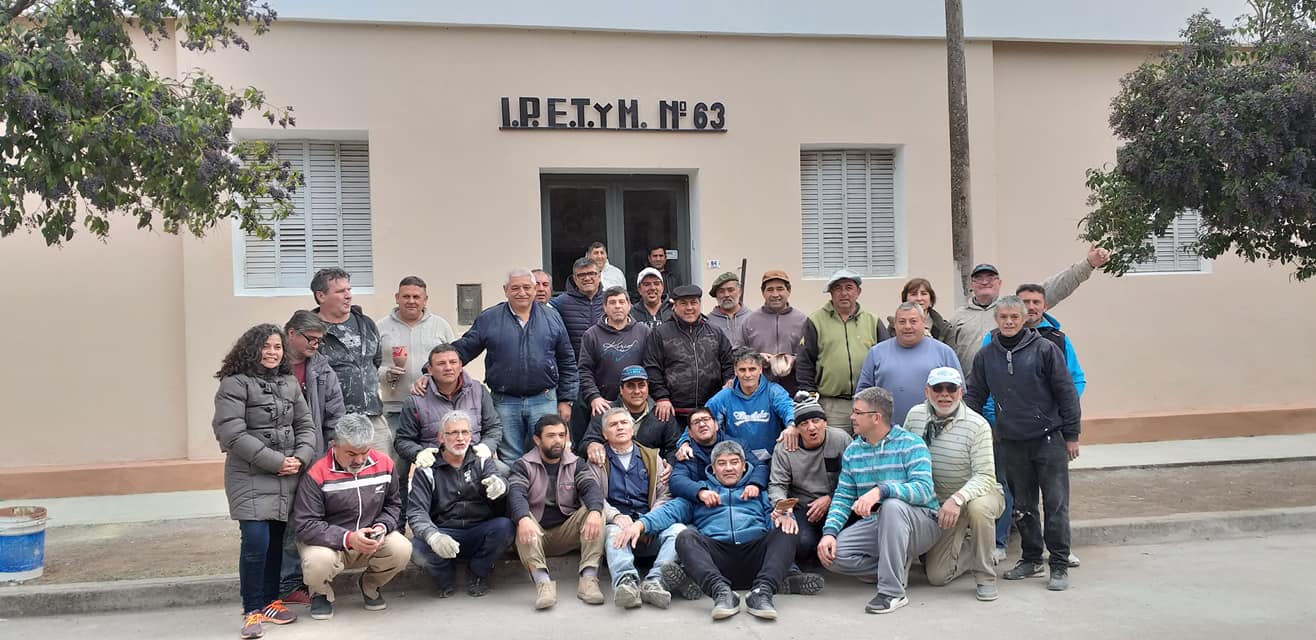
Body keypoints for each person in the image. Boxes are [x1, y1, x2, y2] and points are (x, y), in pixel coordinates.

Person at [964, 296, 1081, 592]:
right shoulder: (986, 355)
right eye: (1003, 317)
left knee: (1055, 505)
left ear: (1024, 318)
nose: (1008, 322)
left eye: (1014, 317)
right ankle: (1031, 559)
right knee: (1023, 506)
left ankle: (1058, 564)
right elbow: (975, 395)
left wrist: (1072, 435)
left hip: (1049, 439)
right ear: (996, 319)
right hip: (1011, 441)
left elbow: (1066, 393)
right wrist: (961, 426)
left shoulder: (1046, 350)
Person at [212, 324, 317, 639]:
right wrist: (276, 462)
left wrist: (300, 457)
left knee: (275, 541)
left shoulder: (288, 382)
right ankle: (251, 610)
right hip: (251, 476)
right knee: (256, 541)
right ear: (251, 348)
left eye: (278, 347)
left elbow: (305, 424)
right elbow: (231, 433)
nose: (272, 353)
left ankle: (271, 601)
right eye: (266, 346)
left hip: (287, 475)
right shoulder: (234, 384)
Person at [624, 440, 807, 621]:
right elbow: (670, 511)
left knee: (787, 528)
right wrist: (640, 525)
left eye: (734, 462)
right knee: (685, 536)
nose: (728, 468)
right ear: (713, 468)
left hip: (756, 559)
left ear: (744, 466)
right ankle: (722, 593)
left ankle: (762, 592)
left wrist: (782, 517)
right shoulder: (701, 493)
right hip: (716, 563)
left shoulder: (759, 493)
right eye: (722, 463)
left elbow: (773, 520)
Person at [816, 386, 939, 615]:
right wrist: (829, 533)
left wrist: (881, 491)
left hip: (922, 523)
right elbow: (843, 497)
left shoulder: (911, 444)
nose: (851, 417)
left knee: (891, 506)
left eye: (857, 412)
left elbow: (924, 490)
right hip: (879, 523)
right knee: (832, 557)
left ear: (876, 418)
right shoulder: (854, 451)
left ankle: (892, 592)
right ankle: (893, 564)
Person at [291, 414, 410, 621]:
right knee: (317, 561)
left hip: (370, 538)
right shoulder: (317, 473)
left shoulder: (385, 464)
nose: (359, 460)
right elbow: (306, 525)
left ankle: (370, 585)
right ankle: (319, 593)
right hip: (328, 544)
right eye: (351, 453)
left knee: (402, 548)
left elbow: (393, 505)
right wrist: (348, 538)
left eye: (365, 452)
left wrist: (382, 527)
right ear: (334, 446)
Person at [452, 268, 577, 461]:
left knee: (548, 454)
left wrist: (566, 399)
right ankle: (515, 492)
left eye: (527, 287)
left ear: (535, 289)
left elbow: (567, 360)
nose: (522, 292)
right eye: (515, 288)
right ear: (505, 290)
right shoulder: (489, 318)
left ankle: (545, 492)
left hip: (544, 399)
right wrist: (432, 368)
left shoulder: (552, 318)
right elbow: (464, 349)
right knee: (510, 458)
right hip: (505, 401)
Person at [902, 368, 1005, 601]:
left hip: (976, 496)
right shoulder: (915, 416)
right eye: (938, 388)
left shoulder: (977, 425)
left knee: (979, 509)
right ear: (927, 391)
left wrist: (957, 499)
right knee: (938, 576)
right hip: (938, 503)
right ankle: (972, 546)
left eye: (951, 389)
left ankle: (985, 576)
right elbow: (903, 455)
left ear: (961, 392)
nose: (944, 395)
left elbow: (986, 476)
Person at [945, 246, 1111, 377]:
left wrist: (1088, 264)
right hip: (968, 393)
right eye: (979, 278)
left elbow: (1054, 287)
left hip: (1004, 392)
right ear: (971, 284)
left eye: (990, 277)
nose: (985, 282)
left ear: (999, 283)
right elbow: (946, 354)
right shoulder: (958, 317)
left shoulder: (1014, 308)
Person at [277, 310, 345, 606]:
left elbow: (335, 414)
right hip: (275, 457)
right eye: (311, 339)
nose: (316, 346)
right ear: (291, 333)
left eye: (319, 341)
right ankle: (279, 584)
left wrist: (330, 455)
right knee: (278, 523)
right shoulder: (270, 365)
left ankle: (298, 583)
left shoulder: (321, 367)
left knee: (301, 521)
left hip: (313, 458)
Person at [408, 410, 515, 599]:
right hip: (445, 531)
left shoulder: (481, 460)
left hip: (478, 530)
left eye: (465, 432)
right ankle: (444, 578)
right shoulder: (427, 469)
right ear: (441, 437)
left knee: (504, 527)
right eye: (453, 433)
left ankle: (478, 573)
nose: (460, 438)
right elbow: (417, 513)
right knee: (417, 546)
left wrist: (501, 485)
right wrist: (434, 537)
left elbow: (497, 479)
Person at [508, 415, 607, 610]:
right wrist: (523, 518)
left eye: (562, 435)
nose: (558, 441)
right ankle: (543, 584)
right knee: (521, 519)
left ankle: (588, 580)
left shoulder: (576, 463)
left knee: (595, 510)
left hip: (565, 532)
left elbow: (591, 489)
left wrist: (595, 512)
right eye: (551, 435)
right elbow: (516, 494)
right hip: (535, 533)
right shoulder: (523, 464)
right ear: (537, 440)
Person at [377, 276, 456, 520]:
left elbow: (451, 362)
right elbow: (370, 366)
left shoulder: (440, 326)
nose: (411, 301)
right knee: (396, 471)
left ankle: (437, 520)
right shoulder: (380, 327)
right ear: (397, 298)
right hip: (394, 408)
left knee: (440, 468)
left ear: (425, 299)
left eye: (416, 297)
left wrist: (430, 378)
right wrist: (385, 373)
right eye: (406, 296)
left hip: (434, 408)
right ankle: (397, 522)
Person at [588, 408, 682, 609]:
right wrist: (616, 516)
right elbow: (592, 497)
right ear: (605, 434)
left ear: (632, 429)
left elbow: (665, 494)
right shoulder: (597, 461)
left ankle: (655, 582)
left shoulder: (651, 457)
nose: (620, 427)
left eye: (624, 422)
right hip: (620, 526)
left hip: (649, 527)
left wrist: (648, 522)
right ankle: (626, 583)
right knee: (612, 531)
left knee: (679, 531)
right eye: (613, 425)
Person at [796, 269, 891, 432]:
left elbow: (888, 359)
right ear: (831, 293)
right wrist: (811, 397)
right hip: (832, 404)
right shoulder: (815, 321)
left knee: (869, 447)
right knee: (835, 449)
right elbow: (805, 362)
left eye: (849, 287)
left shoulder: (872, 321)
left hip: (869, 402)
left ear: (858, 291)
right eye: (838, 288)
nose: (844, 293)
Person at [310, 268, 390, 456]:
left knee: (382, 474)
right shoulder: (311, 330)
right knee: (339, 478)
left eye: (349, 290)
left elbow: (375, 362)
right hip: (333, 421)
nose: (348, 296)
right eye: (340, 291)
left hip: (373, 417)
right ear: (321, 296)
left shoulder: (367, 324)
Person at [768, 393, 850, 571]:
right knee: (802, 544)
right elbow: (777, 485)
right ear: (796, 428)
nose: (811, 427)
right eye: (804, 424)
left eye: (816, 421)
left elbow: (855, 477)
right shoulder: (784, 448)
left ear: (825, 422)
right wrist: (781, 505)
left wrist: (830, 497)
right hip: (805, 507)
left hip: (840, 502)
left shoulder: (841, 439)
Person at [397, 344, 505, 474]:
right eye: (441, 363)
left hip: (474, 461)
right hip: (436, 465)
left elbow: (494, 427)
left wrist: (486, 446)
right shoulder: (416, 400)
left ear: (460, 366)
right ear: (429, 369)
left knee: (504, 472)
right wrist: (418, 453)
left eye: (453, 362)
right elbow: (403, 440)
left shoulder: (479, 391)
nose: (448, 367)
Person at [855, 302, 962, 426]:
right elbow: (863, 394)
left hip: (933, 430)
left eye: (913, 321)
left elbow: (959, 392)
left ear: (923, 322)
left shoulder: (944, 352)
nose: (907, 326)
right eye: (901, 322)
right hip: (885, 431)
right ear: (894, 324)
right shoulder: (876, 353)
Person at [644, 284, 734, 427]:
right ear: (675, 306)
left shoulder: (715, 333)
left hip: (712, 410)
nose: (689, 308)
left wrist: (729, 380)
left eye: (694, 303)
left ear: (699, 304)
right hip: (674, 412)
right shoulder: (660, 333)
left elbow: (728, 363)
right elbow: (652, 368)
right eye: (683, 303)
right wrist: (661, 397)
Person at [705, 348, 798, 465]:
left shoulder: (774, 392)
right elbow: (702, 418)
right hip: (736, 462)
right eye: (742, 370)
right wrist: (685, 442)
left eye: (752, 369)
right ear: (735, 371)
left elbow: (789, 408)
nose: (747, 375)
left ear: (760, 369)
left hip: (772, 460)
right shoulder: (725, 396)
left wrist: (792, 425)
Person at [582, 366, 682, 464]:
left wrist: (669, 464)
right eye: (630, 386)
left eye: (641, 385)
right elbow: (586, 443)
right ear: (621, 389)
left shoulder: (662, 413)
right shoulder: (605, 412)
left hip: (652, 473)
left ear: (648, 387)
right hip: (614, 473)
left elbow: (675, 446)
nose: (637, 391)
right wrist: (592, 445)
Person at [668, 406, 770, 503]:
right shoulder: (687, 452)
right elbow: (676, 480)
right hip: (705, 505)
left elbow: (760, 466)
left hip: (741, 499)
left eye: (706, 419)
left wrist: (754, 484)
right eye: (696, 422)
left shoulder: (737, 445)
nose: (702, 424)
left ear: (716, 425)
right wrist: (700, 492)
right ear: (689, 432)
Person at [578, 287, 650, 423]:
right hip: (604, 404)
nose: (617, 306)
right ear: (605, 307)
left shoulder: (644, 331)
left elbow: (653, 366)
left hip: (638, 403)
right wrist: (594, 397)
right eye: (612, 302)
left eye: (621, 302)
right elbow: (584, 370)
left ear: (629, 306)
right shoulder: (592, 335)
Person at [738, 270, 807, 396]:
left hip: (793, 390)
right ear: (763, 292)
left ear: (789, 291)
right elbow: (738, 354)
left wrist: (793, 360)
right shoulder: (750, 321)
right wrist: (757, 358)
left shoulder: (802, 320)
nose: (775, 294)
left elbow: (811, 356)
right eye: (770, 290)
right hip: (758, 390)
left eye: (780, 289)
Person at [551, 256, 606, 363]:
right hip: (574, 368)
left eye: (591, 273)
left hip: (606, 368)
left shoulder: (611, 300)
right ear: (575, 279)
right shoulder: (559, 303)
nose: (587, 278)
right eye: (581, 275)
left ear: (599, 276)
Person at [706, 271, 748, 346]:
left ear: (740, 292)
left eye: (731, 290)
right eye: (721, 291)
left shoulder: (752, 318)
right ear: (716, 295)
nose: (726, 295)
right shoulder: (708, 322)